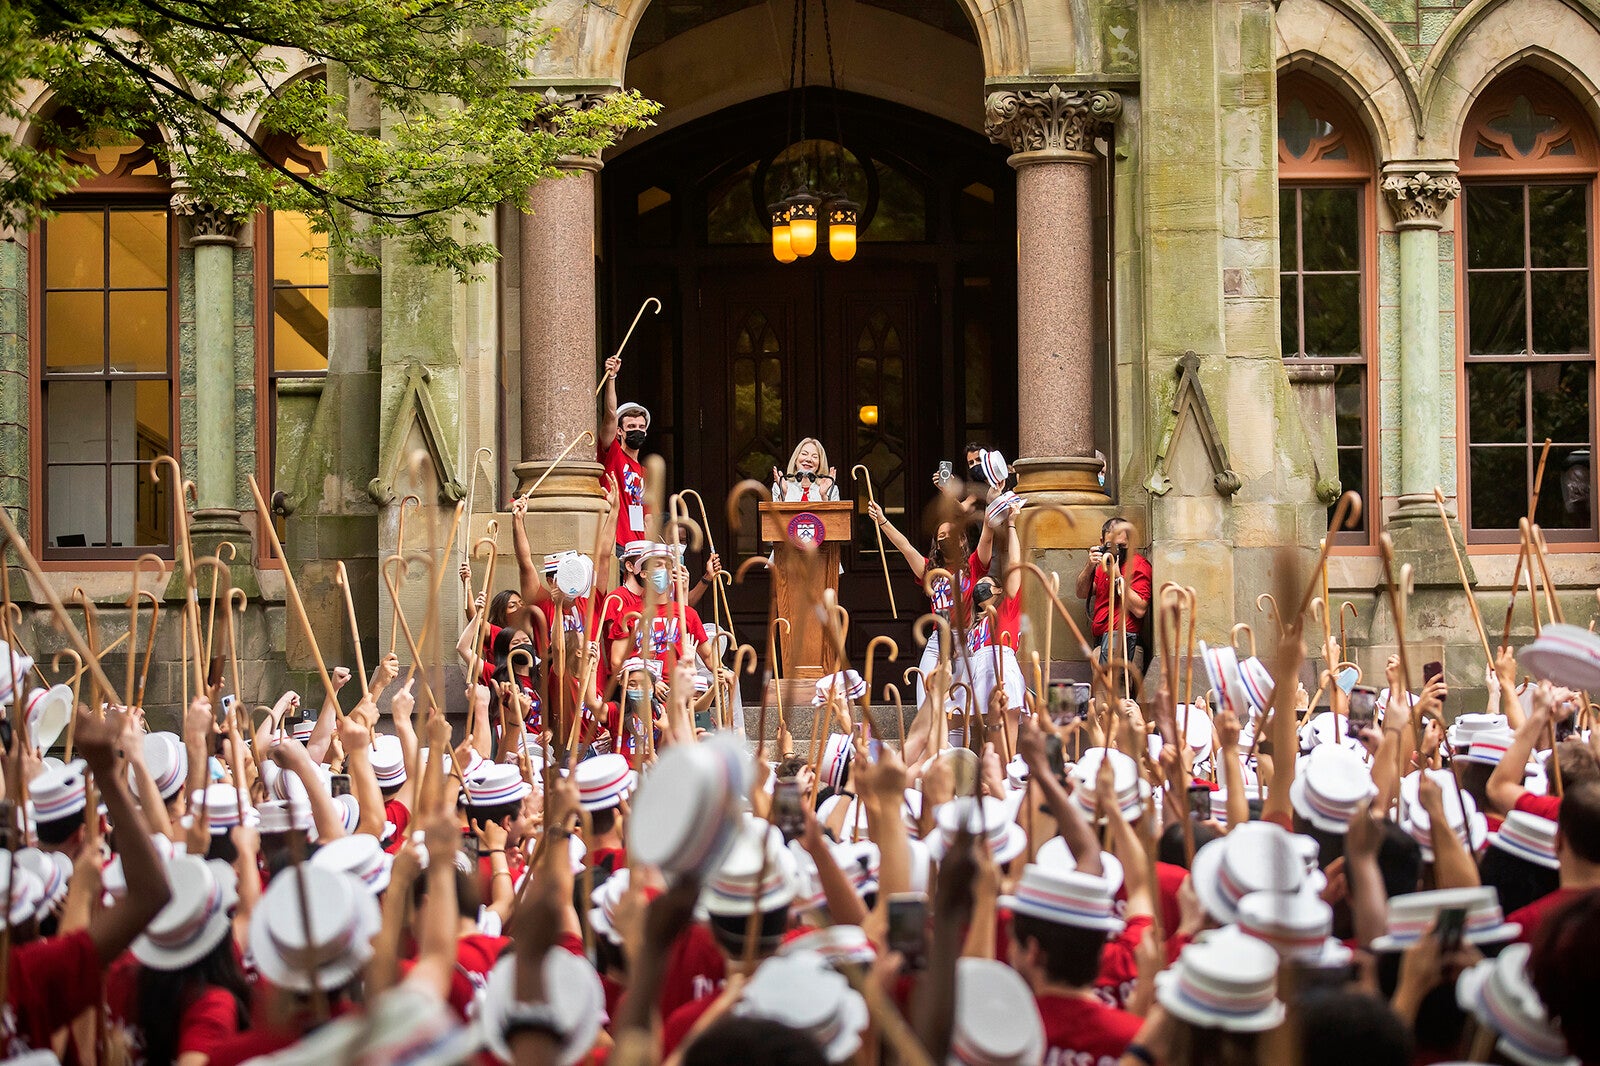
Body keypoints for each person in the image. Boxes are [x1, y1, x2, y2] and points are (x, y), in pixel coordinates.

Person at [1075, 517, 1151, 666]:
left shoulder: (1138, 565)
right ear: (1102, 542)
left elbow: (1140, 609)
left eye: (1121, 546)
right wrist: (1089, 566)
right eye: (1111, 546)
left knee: (1118, 689)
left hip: (1124, 644)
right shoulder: (1102, 565)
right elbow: (1081, 593)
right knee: (1101, 690)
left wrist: (1117, 577)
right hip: (1100, 645)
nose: (1116, 551)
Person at [599, 351, 651, 548]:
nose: (637, 431)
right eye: (631, 427)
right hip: (617, 543)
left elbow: (648, 517)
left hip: (639, 546)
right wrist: (611, 378)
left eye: (641, 427)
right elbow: (611, 414)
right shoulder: (613, 455)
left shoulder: (645, 473)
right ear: (620, 431)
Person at [771, 438, 839, 503]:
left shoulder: (831, 489)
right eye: (804, 454)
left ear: (820, 463)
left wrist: (823, 496)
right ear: (795, 459)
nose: (808, 459)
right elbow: (775, 515)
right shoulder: (780, 486)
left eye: (814, 457)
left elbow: (836, 515)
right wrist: (784, 494)